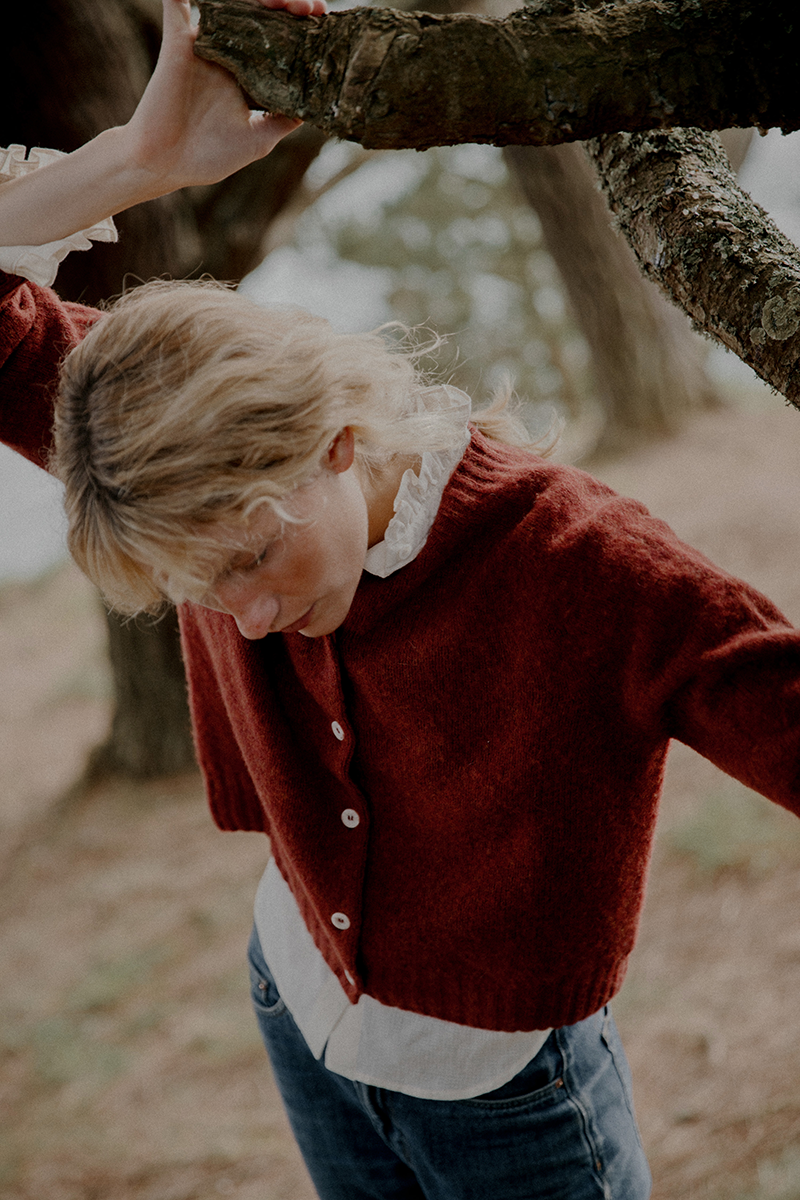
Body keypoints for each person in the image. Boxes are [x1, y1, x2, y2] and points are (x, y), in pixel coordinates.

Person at [2, 3, 800, 1197]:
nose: (244, 618)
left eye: (250, 564)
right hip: (298, 1007)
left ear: (334, 442)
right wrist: (136, 161)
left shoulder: (583, 567)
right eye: (196, 590)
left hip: (506, 1096)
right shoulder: (157, 452)